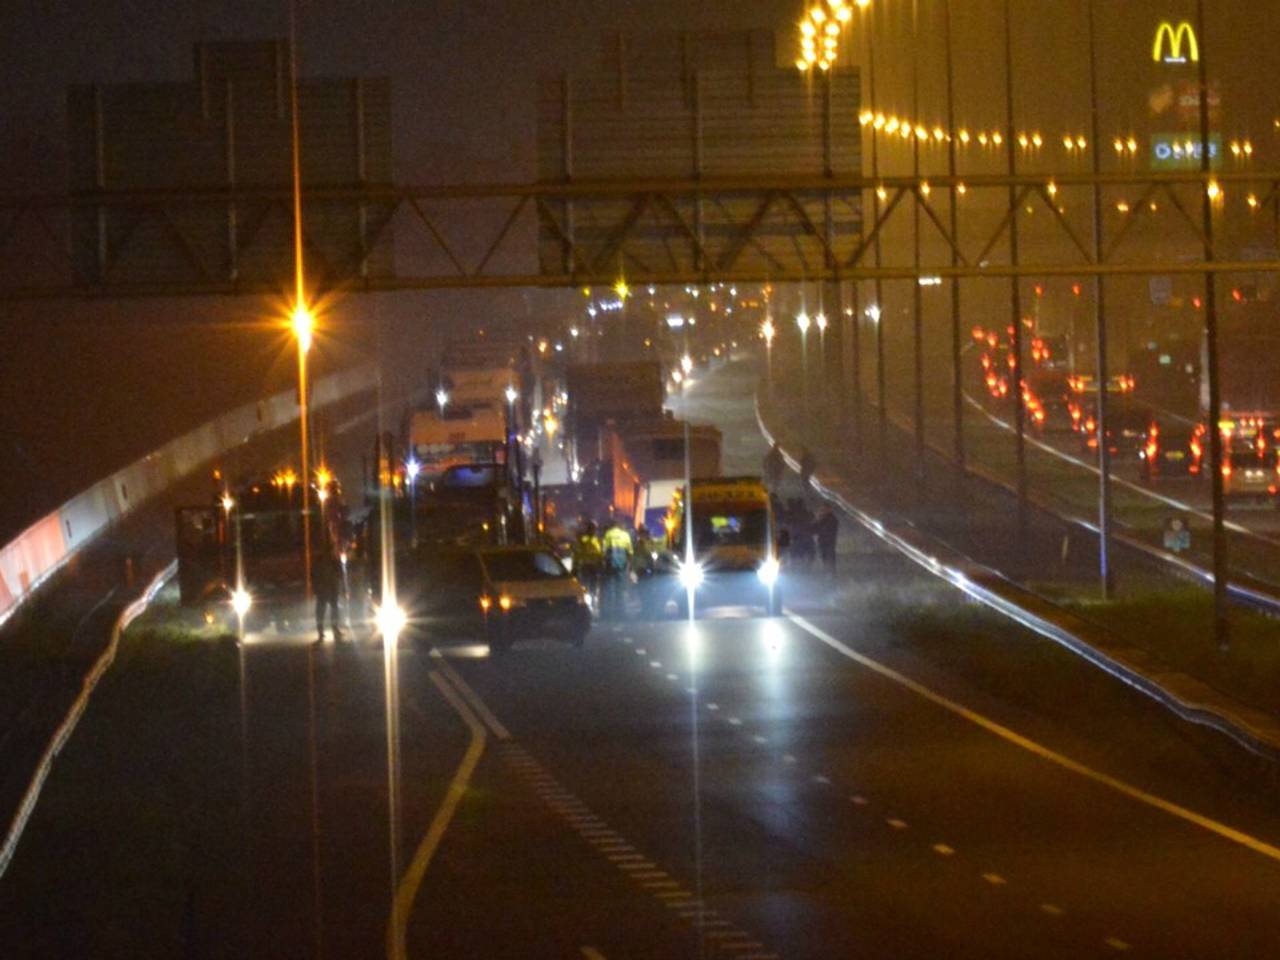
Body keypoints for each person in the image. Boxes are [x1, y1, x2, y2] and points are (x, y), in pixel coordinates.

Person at [600, 520, 634, 619]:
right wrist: (629, 566)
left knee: (610, 588)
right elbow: (630, 552)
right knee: (620, 589)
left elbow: (603, 551)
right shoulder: (625, 535)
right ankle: (620, 612)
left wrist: (604, 562)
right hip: (622, 565)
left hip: (610, 565)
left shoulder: (608, 534)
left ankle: (609, 612)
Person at [314, 546, 343, 643]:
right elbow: (340, 574)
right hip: (330, 587)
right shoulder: (334, 561)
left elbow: (314, 575)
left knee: (322, 611)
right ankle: (334, 629)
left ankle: (322, 631)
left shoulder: (319, 561)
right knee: (332, 609)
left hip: (324, 588)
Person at [572, 521, 603, 602]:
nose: (593, 531)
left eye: (594, 529)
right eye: (592, 529)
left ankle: (591, 599)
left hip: (592, 566)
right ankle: (586, 600)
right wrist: (575, 566)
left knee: (592, 585)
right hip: (586, 566)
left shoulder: (597, 540)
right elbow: (577, 553)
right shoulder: (584, 540)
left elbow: (601, 553)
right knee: (586, 585)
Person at [814, 506, 839, 577]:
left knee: (828, 559)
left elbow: (817, 529)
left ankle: (829, 576)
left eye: (823, 510)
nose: (822, 511)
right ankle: (829, 575)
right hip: (827, 543)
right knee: (827, 559)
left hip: (827, 543)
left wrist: (818, 520)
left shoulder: (829, 520)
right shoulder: (830, 519)